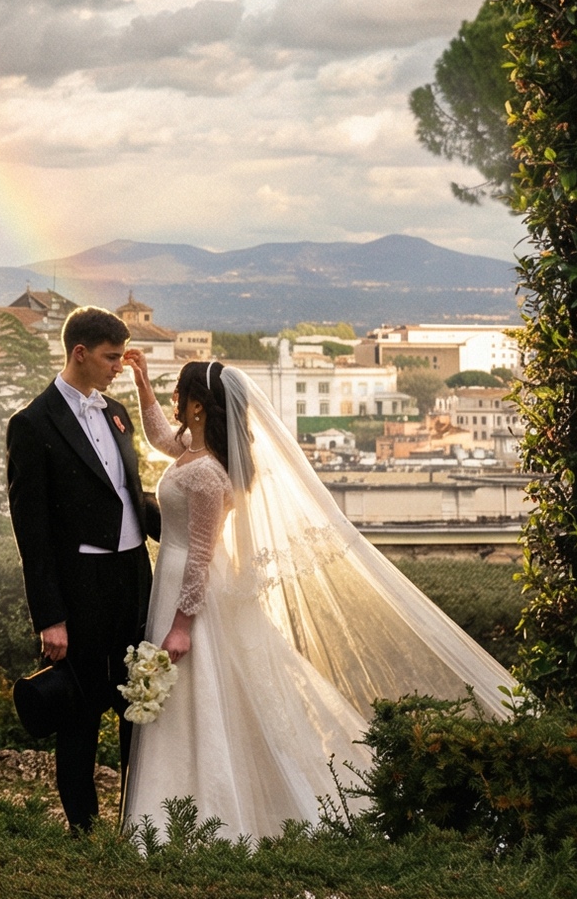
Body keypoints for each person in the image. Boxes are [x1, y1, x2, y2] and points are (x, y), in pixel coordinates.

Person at [119, 356, 515, 841]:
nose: (175, 404)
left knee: (201, 696)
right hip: (180, 582)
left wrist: (181, 626)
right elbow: (161, 437)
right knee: (204, 698)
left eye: (179, 396)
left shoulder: (207, 474)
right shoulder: (195, 450)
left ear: (198, 407)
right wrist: (142, 386)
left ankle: (202, 816)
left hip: (189, 590)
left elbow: (200, 556)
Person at [5, 305, 160, 832]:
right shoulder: (30, 424)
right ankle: (84, 831)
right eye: (111, 357)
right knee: (79, 716)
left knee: (140, 707)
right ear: (80, 353)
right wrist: (50, 616)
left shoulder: (117, 412)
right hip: (80, 590)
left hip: (136, 581)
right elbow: (32, 532)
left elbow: (129, 494)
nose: (119, 366)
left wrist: (194, 525)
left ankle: (137, 826)